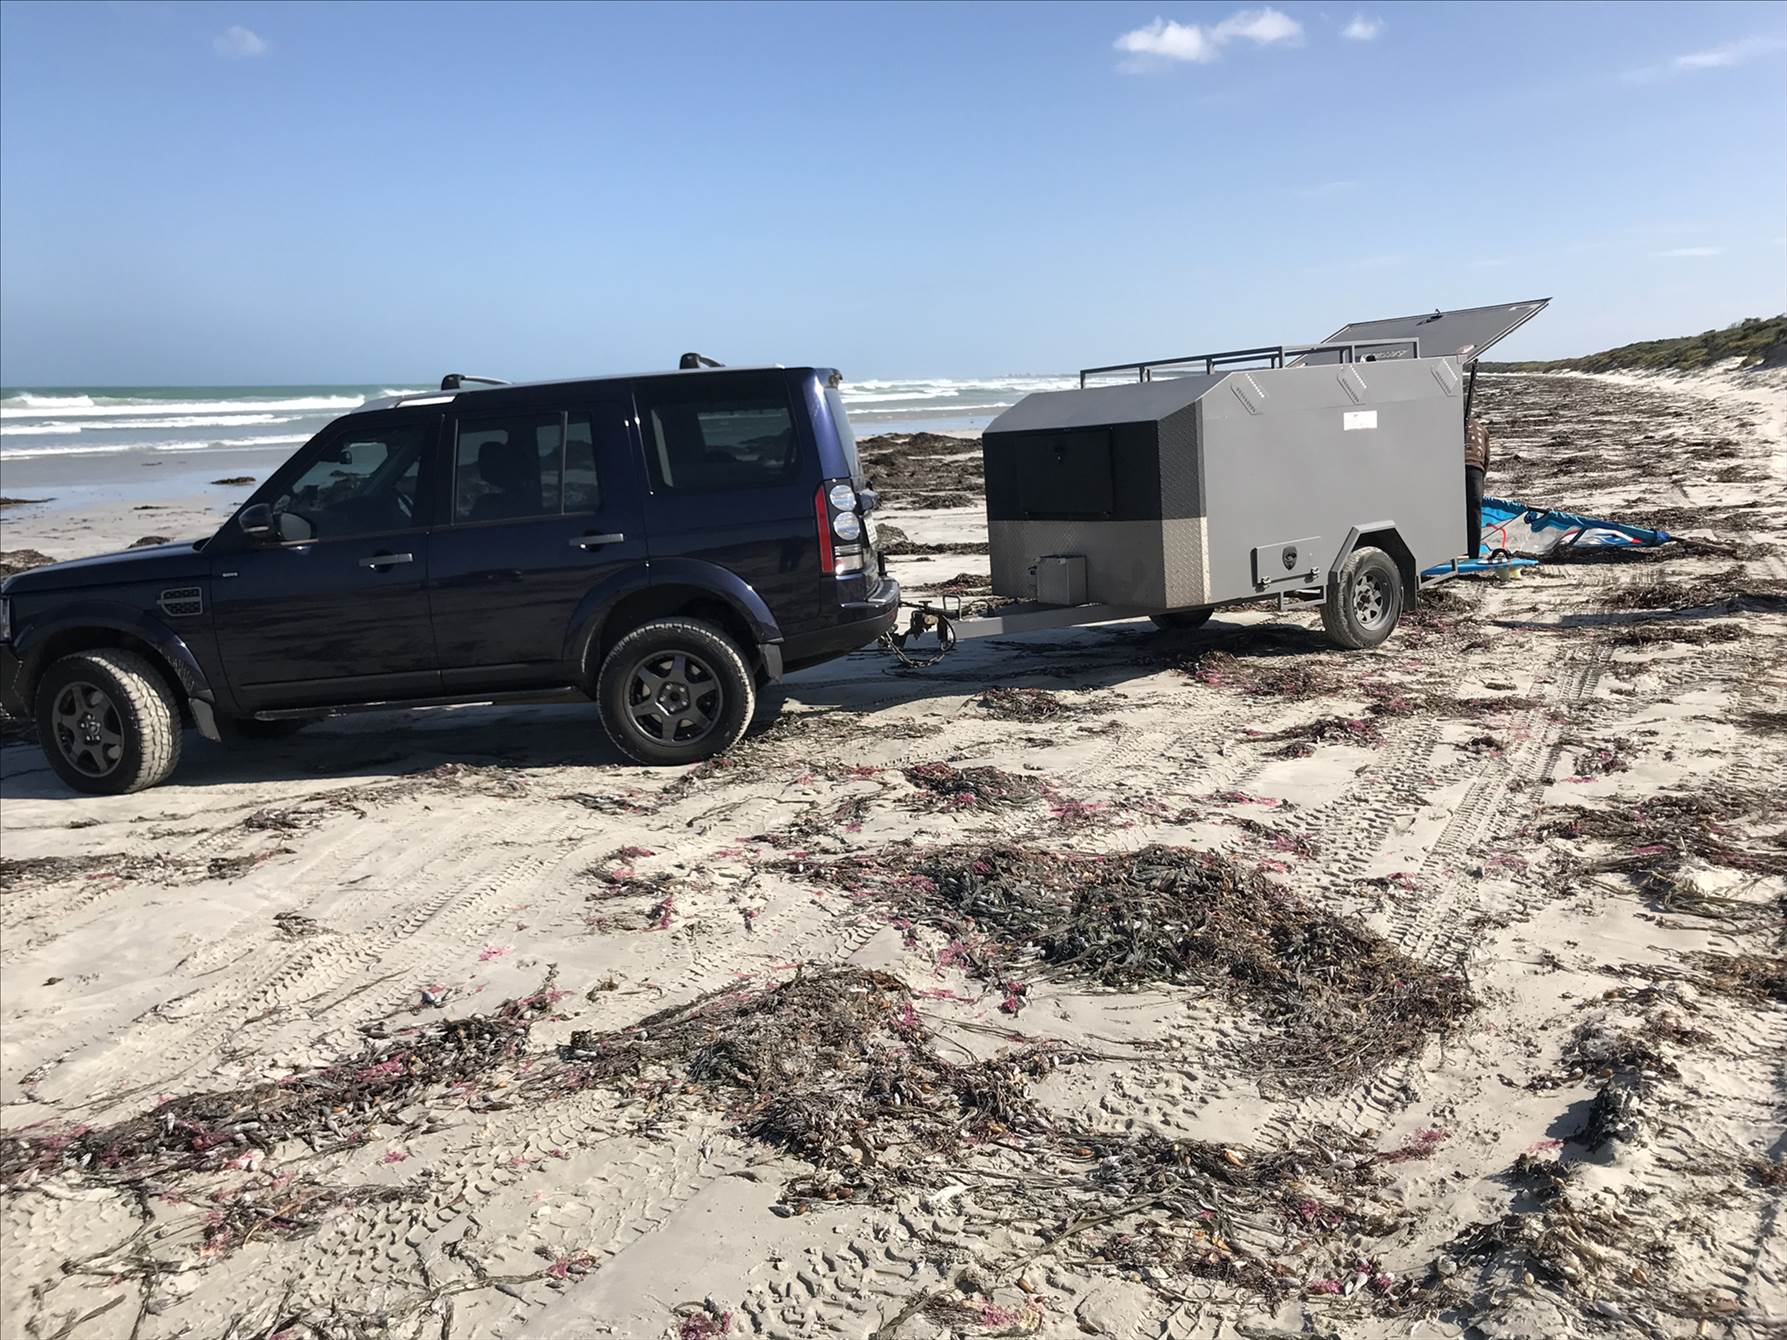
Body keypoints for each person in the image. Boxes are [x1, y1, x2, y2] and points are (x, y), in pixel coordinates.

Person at [1464, 414, 1490, 557]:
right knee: (1474, 510)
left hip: (1457, 467)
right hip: (1476, 469)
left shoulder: (1450, 426)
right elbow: (1486, 460)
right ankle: (1473, 553)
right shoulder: (1482, 429)